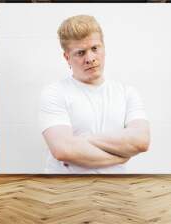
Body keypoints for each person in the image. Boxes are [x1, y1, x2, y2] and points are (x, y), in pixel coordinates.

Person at [39, 15, 150, 174]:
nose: (90, 58)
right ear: (67, 57)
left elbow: (141, 141)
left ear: (104, 48)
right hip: (65, 191)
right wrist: (121, 156)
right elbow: (63, 150)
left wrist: (85, 140)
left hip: (115, 190)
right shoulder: (54, 92)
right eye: (80, 53)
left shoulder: (127, 93)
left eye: (95, 49)